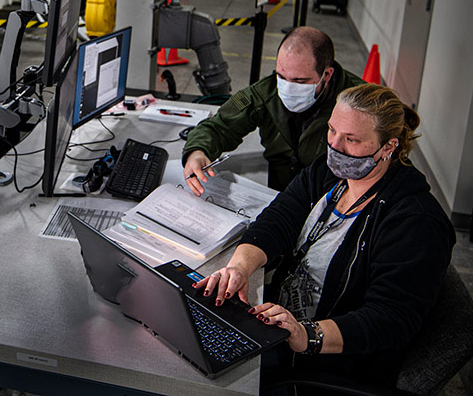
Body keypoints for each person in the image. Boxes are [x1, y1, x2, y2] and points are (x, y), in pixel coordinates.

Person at [191, 83, 456, 390]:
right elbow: (278, 220)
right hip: (279, 324)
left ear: (388, 147)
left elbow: (390, 319)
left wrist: (306, 335)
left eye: (352, 140)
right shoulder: (332, 174)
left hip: (330, 360)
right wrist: (239, 268)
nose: (335, 146)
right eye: (332, 131)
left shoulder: (416, 223)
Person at [183, 26, 364, 192]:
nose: (287, 88)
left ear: (326, 74)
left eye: (299, 81)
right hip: (279, 196)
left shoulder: (362, 105)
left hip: (332, 200)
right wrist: (197, 151)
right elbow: (220, 126)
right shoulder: (265, 93)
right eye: (281, 76)